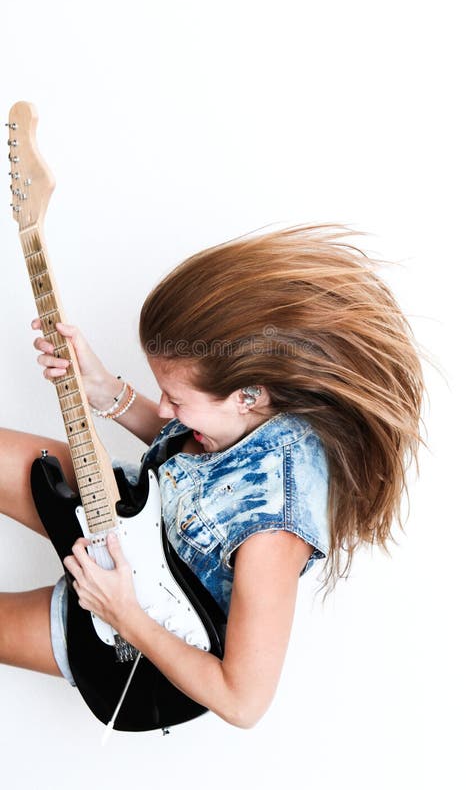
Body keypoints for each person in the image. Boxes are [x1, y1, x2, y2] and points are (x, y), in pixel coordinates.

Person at [0, 222, 426, 729]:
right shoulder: (260, 405)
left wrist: (124, 615)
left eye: (176, 399)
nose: (165, 407)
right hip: (137, 511)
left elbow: (243, 702)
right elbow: (203, 450)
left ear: (248, 394)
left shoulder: (274, 530)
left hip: (134, 631)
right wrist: (105, 391)